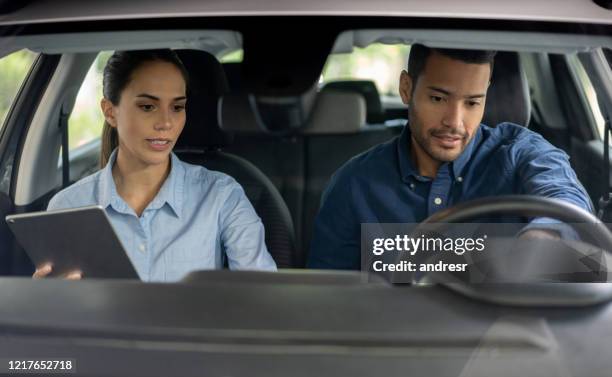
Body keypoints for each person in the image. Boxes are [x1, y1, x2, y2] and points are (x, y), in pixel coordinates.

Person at [308, 44, 593, 270]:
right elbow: (326, 299)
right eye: (438, 99)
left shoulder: (521, 153)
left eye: (472, 103)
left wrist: (542, 239)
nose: (455, 122)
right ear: (406, 88)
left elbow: (565, 199)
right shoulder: (353, 185)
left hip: (508, 337)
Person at [34, 49, 277, 281]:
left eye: (177, 107)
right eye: (148, 107)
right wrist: (49, 298)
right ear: (110, 112)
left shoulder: (222, 195)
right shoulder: (68, 207)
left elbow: (262, 296)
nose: (166, 123)